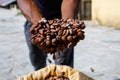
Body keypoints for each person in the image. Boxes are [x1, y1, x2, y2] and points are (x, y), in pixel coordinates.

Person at [17, 0, 79, 70]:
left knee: (64, 63)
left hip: (61, 16)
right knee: (36, 59)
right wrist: (40, 26)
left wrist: (66, 25)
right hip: (34, 15)